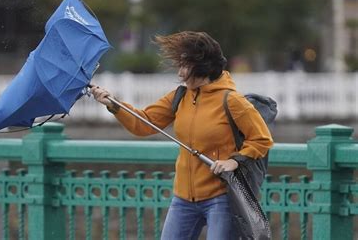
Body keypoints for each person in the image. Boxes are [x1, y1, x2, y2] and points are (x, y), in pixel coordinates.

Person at [91, 31, 273, 240]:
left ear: (202, 67)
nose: (180, 73)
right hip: (183, 200)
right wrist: (114, 104)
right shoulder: (180, 96)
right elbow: (144, 124)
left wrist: (233, 161)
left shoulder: (232, 101)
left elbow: (261, 139)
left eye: (185, 66)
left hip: (221, 198)